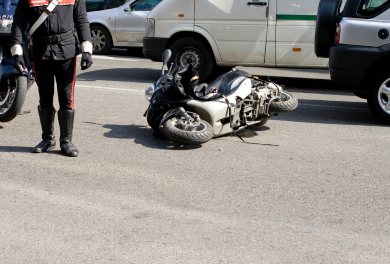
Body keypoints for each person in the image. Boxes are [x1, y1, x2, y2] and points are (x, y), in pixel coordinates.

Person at [11, 0, 93, 157]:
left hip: (66, 51)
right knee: (45, 97)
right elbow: (18, 23)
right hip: (41, 52)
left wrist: (87, 50)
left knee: (66, 98)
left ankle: (66, 141)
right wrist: (17, 52)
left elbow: (81, 19)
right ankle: (47, 139)